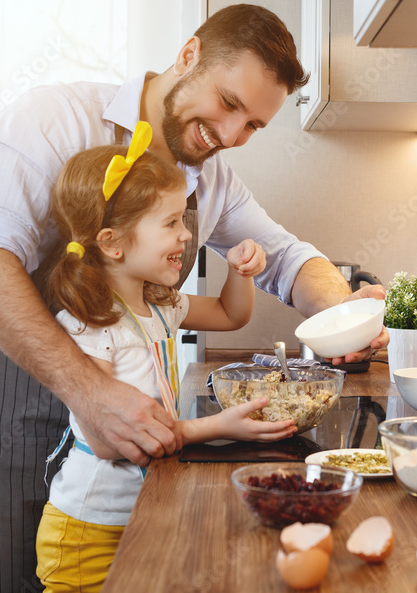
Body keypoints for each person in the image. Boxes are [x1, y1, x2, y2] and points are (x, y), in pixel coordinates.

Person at [0, 3, 387, 593]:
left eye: (253, 127)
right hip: (3, 414)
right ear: (187, 55)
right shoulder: (53, 117)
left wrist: (345, 313)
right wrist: (88, 391)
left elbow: (289, 258)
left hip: (122, 462)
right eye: (229, 103)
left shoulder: (211, 179)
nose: (231, 135)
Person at [34, 126, 296, 591]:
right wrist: (215, 427)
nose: (186, 235)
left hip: (138, 511)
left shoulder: (160, 305)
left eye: (183, 220)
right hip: (88, 532)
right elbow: (117, 440)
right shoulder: (89, 323)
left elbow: (230, 313)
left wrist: (240, 272)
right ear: (113, 243)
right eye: (171, 223)